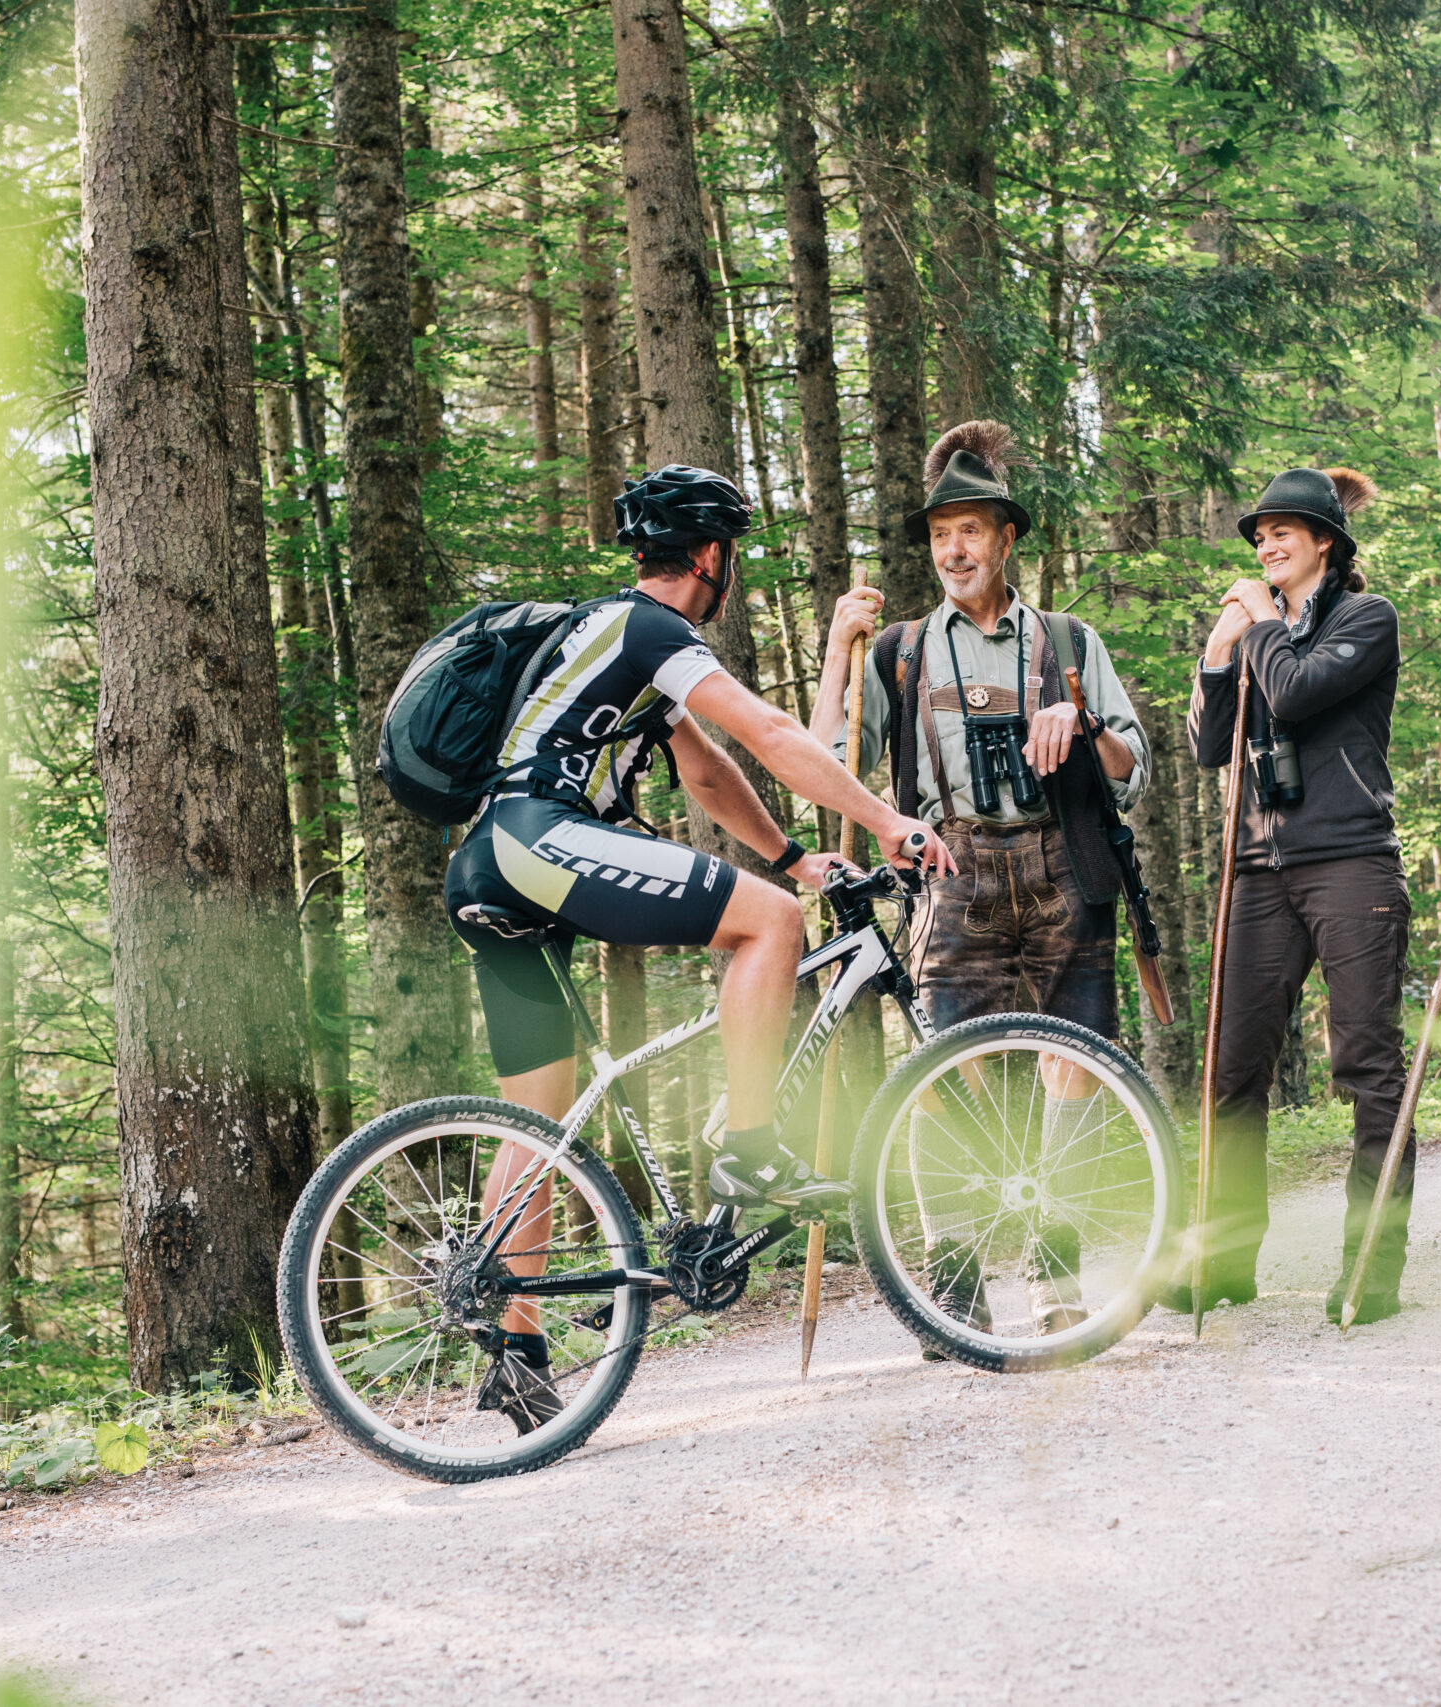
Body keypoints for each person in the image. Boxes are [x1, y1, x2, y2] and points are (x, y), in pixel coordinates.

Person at [445, 464, 948, 1428]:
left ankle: (513, 1343)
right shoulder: (649, 628)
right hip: (534, 839)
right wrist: (888, 822)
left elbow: (708, 773)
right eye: (733, 557)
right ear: (711, 556)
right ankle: (751, 1147)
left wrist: (796, 853)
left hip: (484, 866)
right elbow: (761, 730)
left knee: (538, 1126)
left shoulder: (606, 644)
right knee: (771, 924)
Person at [809, 420, 1150, 1342]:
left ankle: (1055, 1275)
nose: (954, 548)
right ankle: (950, 1291)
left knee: (1072, 1071)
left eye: (971, 530)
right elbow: (827, 752)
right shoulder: (902, 649)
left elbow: (1134, 762)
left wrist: (1076, 723)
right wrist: (840, 650)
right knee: (940, 1080)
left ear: (1006, 538)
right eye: (939, 533)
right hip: (947, 874)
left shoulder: (1070, 641)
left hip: (1058, 865)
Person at [1184, 467, 1413, 1324]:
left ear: (1326, 541)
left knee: (1368, 1068)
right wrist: (1218, 650)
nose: (1267, 544)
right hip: (1258, 873)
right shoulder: (1254, 635)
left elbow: (1295, 689)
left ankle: (1370, 1271)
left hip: (1351, 861)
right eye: (1259, 535)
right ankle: (1225, 1260)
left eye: (1284, 531)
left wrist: (1259, 629)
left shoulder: (1367, 618)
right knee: (1231, 1072)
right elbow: (1214, 746)